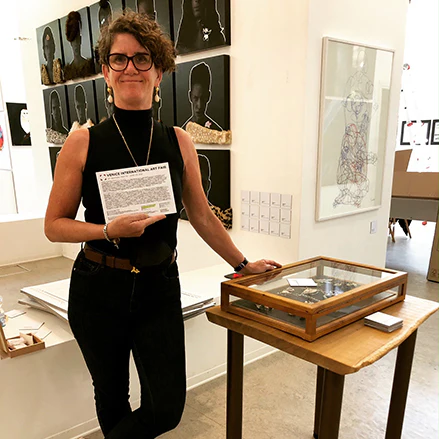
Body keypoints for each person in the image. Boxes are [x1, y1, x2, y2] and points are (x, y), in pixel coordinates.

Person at [44, 11, 280, 439]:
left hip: (159, 286)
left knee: (166, 408)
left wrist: (243, 265)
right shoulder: (83, 142)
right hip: (99, 286)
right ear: (106, 72)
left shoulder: (178, 140)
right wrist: (107, 230)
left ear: (159, 71)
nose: (130, 68)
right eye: (119, 59)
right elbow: (54, 226)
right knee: (112, 397)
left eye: (142, 58)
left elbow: (202, 215)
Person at [181, 61, 222, 131]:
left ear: (208, 96)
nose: (199, 106)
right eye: (195, 98)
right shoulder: (182, 132)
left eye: (203, 98)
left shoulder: (216, 131)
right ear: (190, 96)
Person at [64, 11, 95, 80]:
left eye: (77, 40)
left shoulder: (88, 65)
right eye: (73, 41)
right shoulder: (69, 70)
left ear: (80, 40)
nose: (75, 44)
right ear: (71, 44)